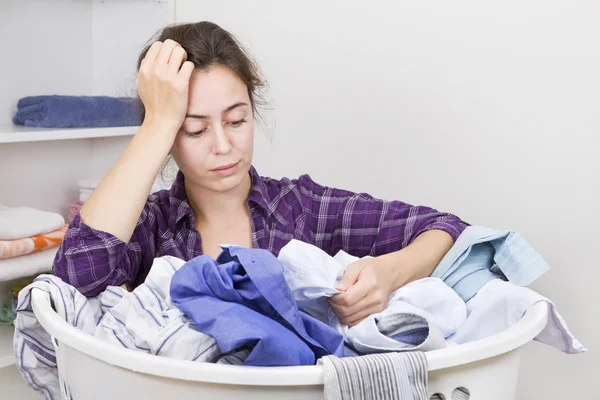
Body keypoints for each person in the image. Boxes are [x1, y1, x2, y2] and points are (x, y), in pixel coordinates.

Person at [53, 21, 468, 327]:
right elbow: (73, 280)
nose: (222, 145)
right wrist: (158, 123)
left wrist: (388, 272)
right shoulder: (152, 225)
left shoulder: (301, 208)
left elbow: (447, 228)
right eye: (194, 129)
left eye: (236, 121)